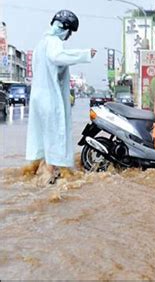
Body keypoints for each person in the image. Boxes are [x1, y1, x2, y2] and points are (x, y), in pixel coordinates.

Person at [26, 10, 96, 183]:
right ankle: (53, 175)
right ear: (65, 28)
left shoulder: (40, 44)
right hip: (49, 97)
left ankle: (34, 170)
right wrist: (85, 54)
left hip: (37, 97)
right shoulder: (53, 42)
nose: (68, 35)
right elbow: (57, 57)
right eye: (69, 31)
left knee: (41, 135)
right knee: (56, 134)